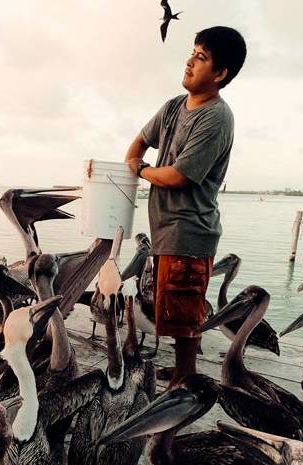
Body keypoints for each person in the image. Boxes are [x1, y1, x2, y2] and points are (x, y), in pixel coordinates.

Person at [125, 26, 246, 385]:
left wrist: (142, 169)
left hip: (191, 230)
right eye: (192, 52)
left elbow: (180, 176)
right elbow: (138, 143)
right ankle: (181, 371)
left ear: (220, 74)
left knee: (185, 311)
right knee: (173, 309)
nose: (191, 61)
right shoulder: (173, 107)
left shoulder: (217, 117)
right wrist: (135, 161)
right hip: (165, 229)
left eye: (202, 57)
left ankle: (185, 381)